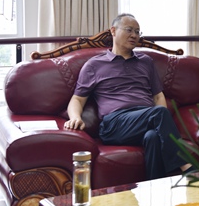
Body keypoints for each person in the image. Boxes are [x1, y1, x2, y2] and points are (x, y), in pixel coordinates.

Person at [64, 13, 191, 179]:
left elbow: (158, 97)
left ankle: (156, 187)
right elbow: (78, 99)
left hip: (144, 119)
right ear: (113, 31)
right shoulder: (94, 65)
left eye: (137, 32)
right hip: (114, 123)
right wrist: (75, 118)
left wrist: (158, 125)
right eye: (129, 30)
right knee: (160, 113)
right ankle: (188, 167)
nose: (134, 35)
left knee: (153, 137)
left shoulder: (146, 62)